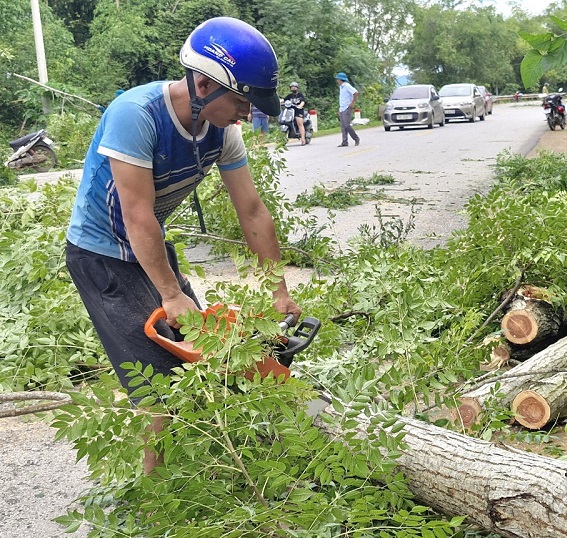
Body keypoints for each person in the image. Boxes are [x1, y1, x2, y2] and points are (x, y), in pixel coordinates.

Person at [65, 16, 301, 474]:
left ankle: (207, 467)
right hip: (102, 255)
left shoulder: (222, 130)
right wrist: (171, 294)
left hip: (151, 247)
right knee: (160, 379)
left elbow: (251, 211)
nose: (245, 114)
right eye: (240, 101)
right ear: (203, 82)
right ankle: (157, 493)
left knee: (207, 356)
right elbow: (136, 215)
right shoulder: (136, 115)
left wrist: (278, 290)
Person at [334, 72, 360, 147]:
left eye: (337, 79)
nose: (337, 80)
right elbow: (342, 99)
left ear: (340, 79)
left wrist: (352, 103)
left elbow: (355, 92)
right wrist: (339, 109)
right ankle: (344, 141)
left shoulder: (347, 86)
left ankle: (356, 138)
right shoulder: (341, 87)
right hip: (342, 108)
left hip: (347, 107)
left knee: (347, 125)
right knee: (343, 126)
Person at [284, 81, 307, 145]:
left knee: (299, 123)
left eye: (294, 87)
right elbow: (284, 100)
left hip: (298, 111)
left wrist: (300, 105)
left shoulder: (300, 95)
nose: (293, 88)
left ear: (297, 88)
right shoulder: (289, 96)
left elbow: (303, 101)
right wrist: (278, 102)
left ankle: (303, 139)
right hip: (290, 111)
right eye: (292, 87)